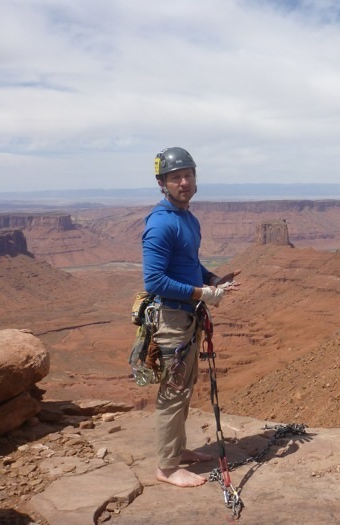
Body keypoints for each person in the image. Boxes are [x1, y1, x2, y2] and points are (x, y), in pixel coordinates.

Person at [142, 146, 240, 487]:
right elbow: (153, 280)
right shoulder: (161, 224)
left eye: (188, 175)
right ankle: (167, 468)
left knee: (184, 388)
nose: (184, 182)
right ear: (162, 183)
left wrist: (212, 279)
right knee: (173, 392)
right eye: (175, 177)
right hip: (171, 320)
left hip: (187, 318)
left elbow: (188, 265)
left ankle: (178, 450)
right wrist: (202, 294)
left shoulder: (187, 219)